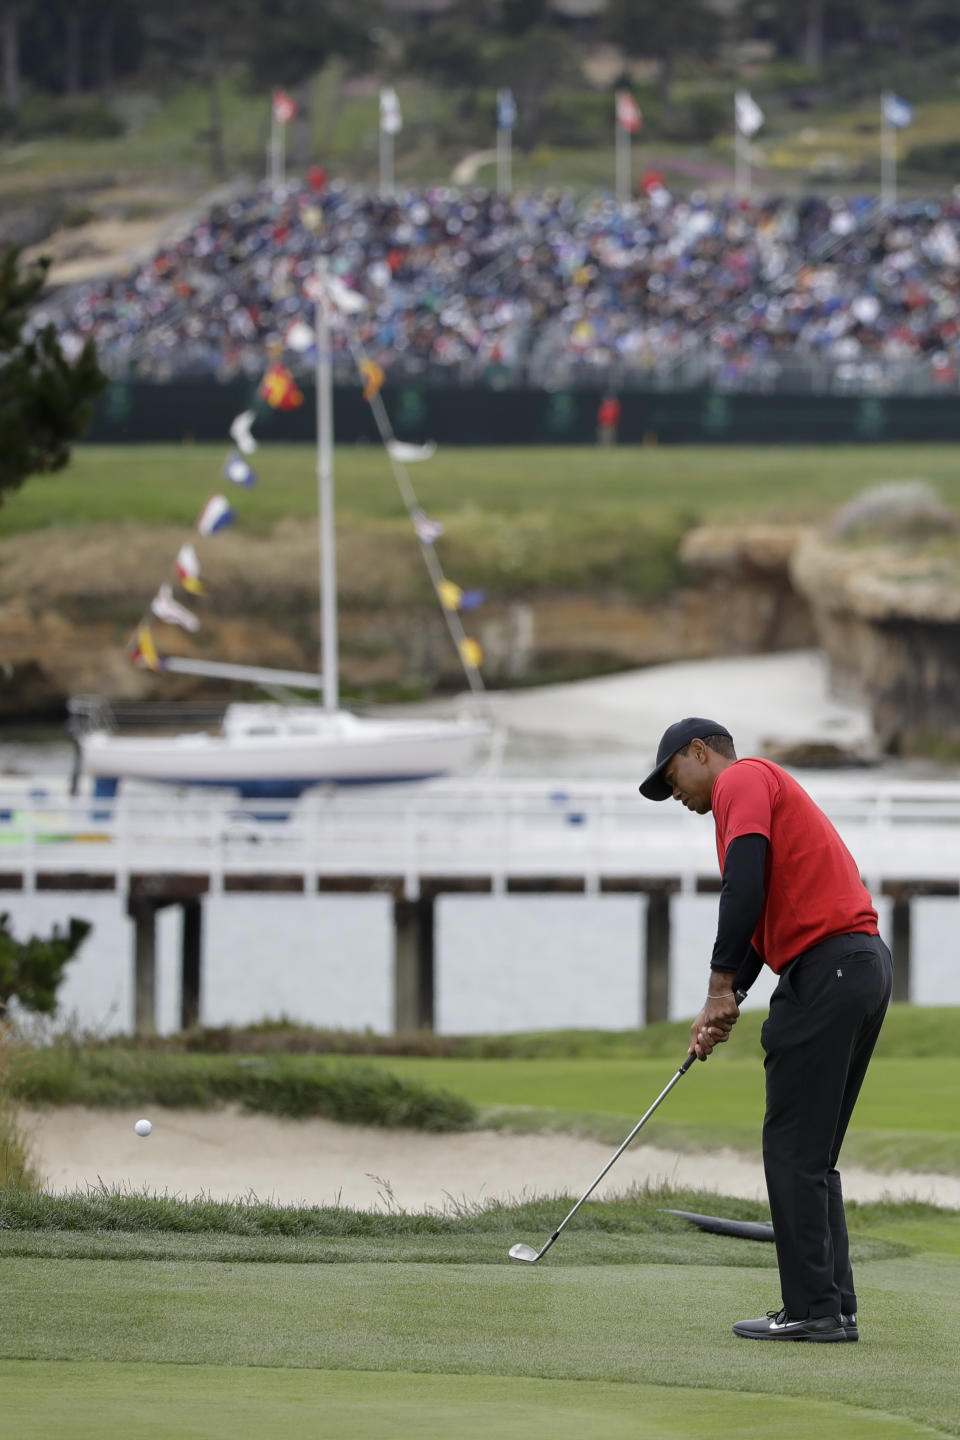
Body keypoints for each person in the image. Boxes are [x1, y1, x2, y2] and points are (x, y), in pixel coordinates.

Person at [639, 717, 893, 1344]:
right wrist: (727, 998)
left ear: (701, 753)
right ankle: (833, 1304)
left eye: (673, 779)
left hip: (828, 969)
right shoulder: (762, 790)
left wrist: (719, 987)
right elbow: (758, 916)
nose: (677, 795)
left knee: (791, 1150)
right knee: (814, 1156)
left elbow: (742, 885)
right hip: (860, 965)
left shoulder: (743, 779)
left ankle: (811, 1310)